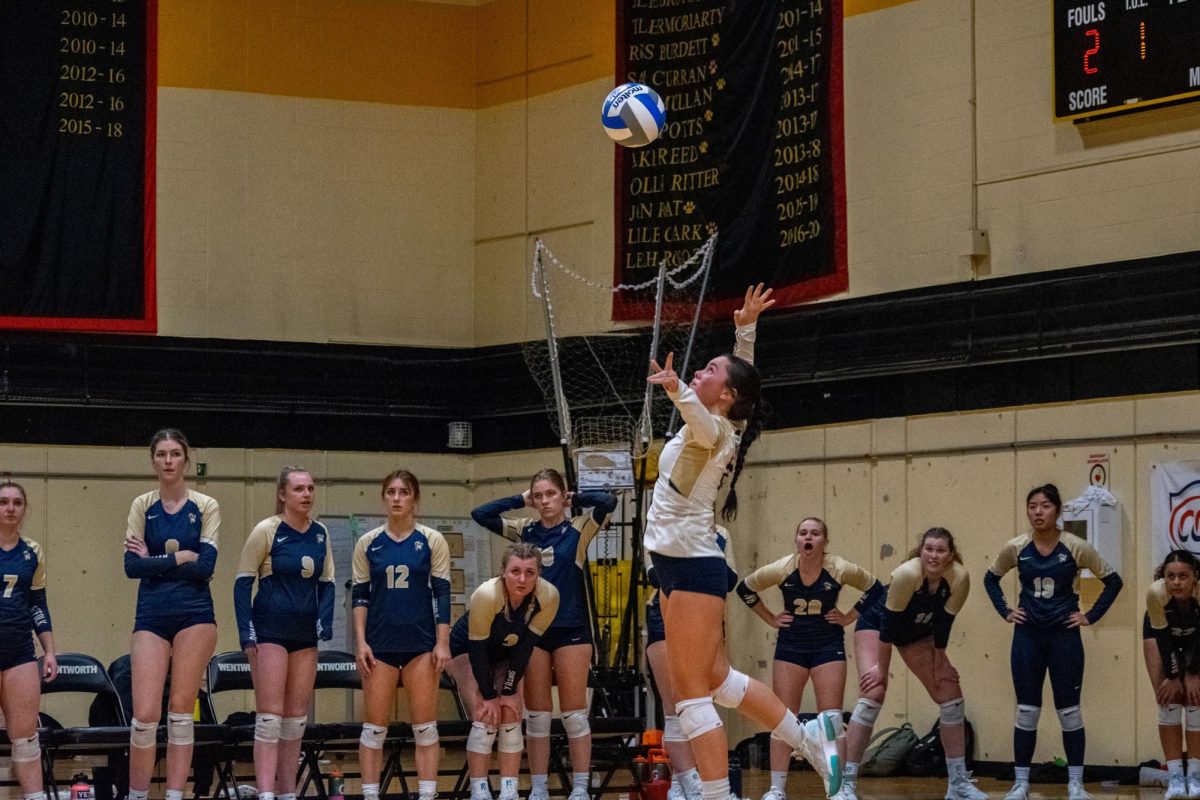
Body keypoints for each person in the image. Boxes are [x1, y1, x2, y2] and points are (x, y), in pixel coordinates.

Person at [644, 284, 841, 800]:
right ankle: (807, 736)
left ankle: (716, 796)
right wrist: (745, 330)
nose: (700, 371)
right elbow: (739, 380)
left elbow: (706, 419)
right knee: (716, 680)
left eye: (709, 370)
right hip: (677, 565)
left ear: (723, 395)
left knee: (690, 698)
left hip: (690, 566)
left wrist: (676, 390)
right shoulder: (729, 415)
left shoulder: (713, 429)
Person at [471, 471, 616, 800]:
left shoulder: (578, 528)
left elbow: (608, 501)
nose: (545, 501)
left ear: (562, 495)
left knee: (574, 715)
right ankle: (538, 788)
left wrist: (575, 498)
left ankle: (580, 788)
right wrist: (520, 499)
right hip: (533, 633)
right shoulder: (525, 530)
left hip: (572, 630)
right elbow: (481, 514)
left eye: (551, 494)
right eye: (539, 496)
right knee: (536, 717)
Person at [984, 483, 1124, 800]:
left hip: (1064, 637)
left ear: (1058, 511)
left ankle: (1075, 783)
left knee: (1070, 712)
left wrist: (1090, 616)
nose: (1037, 511)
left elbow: (1113, 582)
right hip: (1028, 637)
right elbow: (990, 578)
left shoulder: (1075, 546)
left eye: (1045, 506)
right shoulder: (1017, 547)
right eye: (1032, 505)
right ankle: (1021, 783)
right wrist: (1006, 611)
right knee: (1026, 711)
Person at [735, 517, 884, 800]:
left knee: (831, 719)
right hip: (791, 646)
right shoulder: (782, 568)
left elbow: (876, 589)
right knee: (782, 718)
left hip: (828, 645)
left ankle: (839, 789)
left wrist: (848, 616)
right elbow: (744, 589)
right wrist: (771, 619)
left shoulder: (839, 568)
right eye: (803, 532)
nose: (809, 537)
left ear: (824, 542)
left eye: (815, 533)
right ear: (797, 540)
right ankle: (776, 790)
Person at [839, 528, 983, 800]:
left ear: (951, 555)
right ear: (921, 551)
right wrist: (881, 670)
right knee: (874, 692)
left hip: (917, 632)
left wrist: (940, 664)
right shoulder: (907, 575)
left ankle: (958, 783)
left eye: (941, 550)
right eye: (929, 549)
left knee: (949, 693)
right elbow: (888, 626)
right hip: (877, 624)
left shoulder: (959, 578)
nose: (934, 555)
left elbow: (943, 625)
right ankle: (846, 784)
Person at [123, 429, 221, 800]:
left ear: (186, 459)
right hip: (151, 615)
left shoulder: (206, 505)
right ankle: (136, 793)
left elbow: (207, 567)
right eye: (161, 454)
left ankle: (176, 794)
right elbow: (132, 567)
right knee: (145, 715)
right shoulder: (142, 505)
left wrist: (154, 561)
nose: (168, 460)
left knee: (181, 711)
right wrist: (179, 557)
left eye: (175, 454)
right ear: (153, 461)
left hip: (195, 614)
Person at [234, 466, 335, 800]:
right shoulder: (267, 530)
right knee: (270, 717)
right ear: (282, 495)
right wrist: (246, 633)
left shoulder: (320, 533)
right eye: (299, 489)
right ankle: (265, 792)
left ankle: (286, 791)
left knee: (295, 720)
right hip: (269, 632)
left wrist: (325, 620)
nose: (306, 494)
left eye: (310, 488)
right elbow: (242, 583)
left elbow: (328, 583)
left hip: (305, 636)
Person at [353, 470, 451, 800]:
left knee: (424, 728)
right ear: (384, 497)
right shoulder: (368, 543)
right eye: (391, 492)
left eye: (404, 492)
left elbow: (442, 593)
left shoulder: (432, 540)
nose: (397, 498)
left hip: (421, 646)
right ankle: (370, 794)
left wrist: (442, 642)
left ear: (415, 499)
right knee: (374, 728)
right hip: (379, 645)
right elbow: (360, 596)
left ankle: (427, 795)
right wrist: (361, 642)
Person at [447, 542, 560, 800]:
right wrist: (489, 695)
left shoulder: (549, 596)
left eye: (530, 572)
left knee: (510, 712)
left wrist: (508, 691)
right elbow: (477, 651)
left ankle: (509, 790)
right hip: (467, 648)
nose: (522, 579)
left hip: (507, 653)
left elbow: (525, 649)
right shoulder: (487, 595)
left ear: (538, 574)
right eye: (515, 571)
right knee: (484, 710)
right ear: (503, 572)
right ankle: (480, 791)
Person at [646, 525, 735, 800]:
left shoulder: (721, 533)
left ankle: (702, 784)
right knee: (674, 706)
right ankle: (687, 782)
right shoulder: (661, 525)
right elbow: (654, 573)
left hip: (707, 616)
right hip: (666, 612)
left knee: (704, 702)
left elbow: (731, 579)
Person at [0, 480, 57, 800]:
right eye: (3, 502)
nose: (9, 508)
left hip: (20, 652)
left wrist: (49, 651)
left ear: (24, 509)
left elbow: (38, 604)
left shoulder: (32, 551)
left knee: (25, 739)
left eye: (16, 503)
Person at [1143, 550, 1200, 800]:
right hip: (1163, 637)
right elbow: (1164, 641)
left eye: (1183, 576)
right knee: (1168, 700)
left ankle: (1195, 775)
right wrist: (1174, 676)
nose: (1177, 582)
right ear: (1163, 578)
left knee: (1196, 700)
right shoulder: (1156, 595)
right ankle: (1176, 777)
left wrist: (1194, 673)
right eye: (1171, 576)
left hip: (1196, 642)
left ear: (1195, 578)